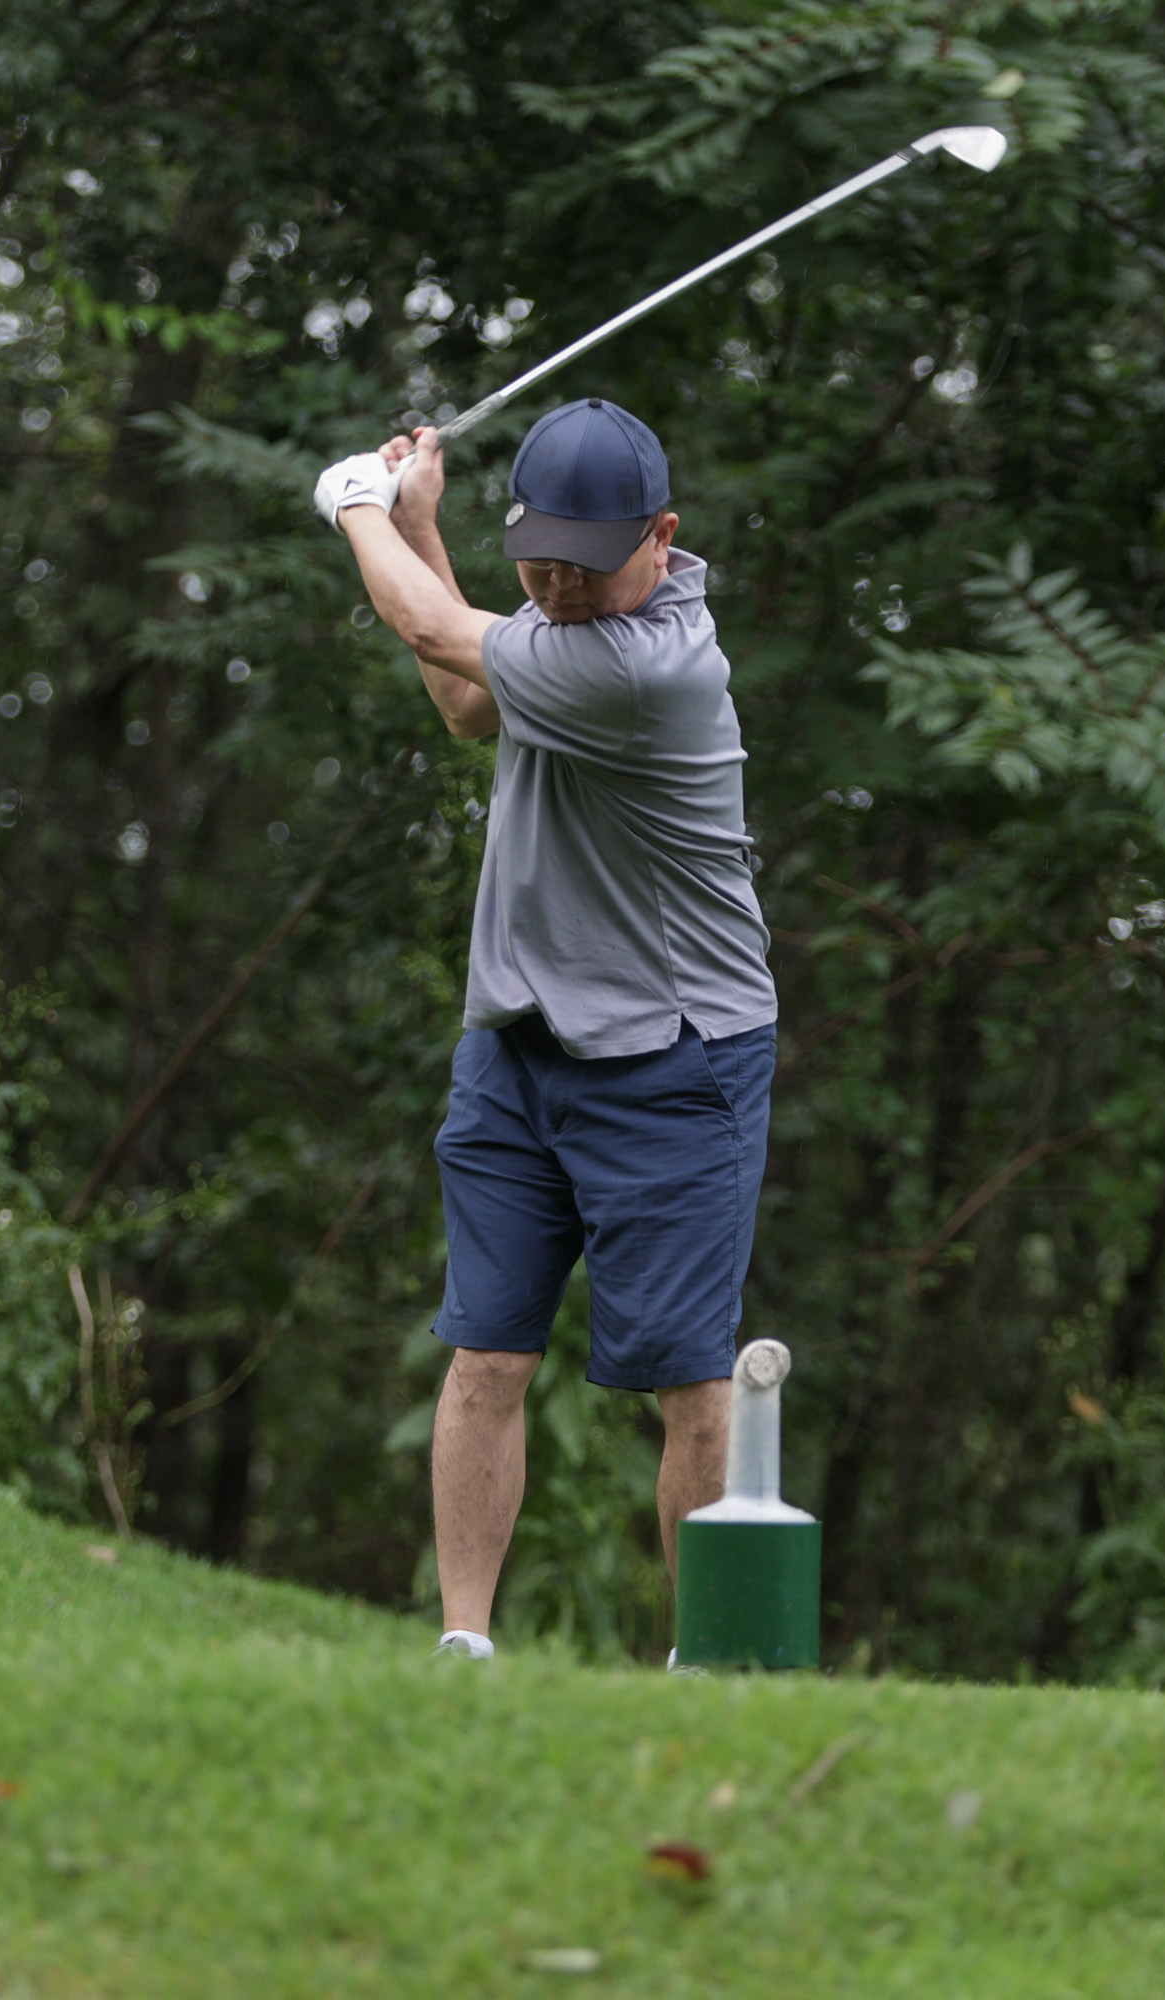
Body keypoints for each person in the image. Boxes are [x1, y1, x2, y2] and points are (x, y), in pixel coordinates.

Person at [313, 398, 778, 1662]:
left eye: (588, 561)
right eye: (540, 560)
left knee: (691, 1384)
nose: (561, 586)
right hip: (519, 1039)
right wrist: (423, 525)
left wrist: (356, 504)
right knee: (485, 1356)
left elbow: (428, 627)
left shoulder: (650, 669)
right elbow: (467, 702)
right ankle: (463, 1648)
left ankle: (709, 1660)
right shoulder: (566, 632)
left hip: (678, 1054)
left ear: (662, 537)